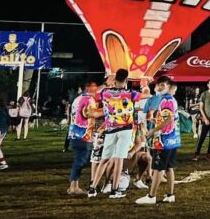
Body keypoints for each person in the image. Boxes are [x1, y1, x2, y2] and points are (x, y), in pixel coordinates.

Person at [92, 69, 139, 200]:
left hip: (111, 130)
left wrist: (106, 84)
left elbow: (95, 93)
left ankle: (92, 188)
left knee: (104, 160)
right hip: (125, 129)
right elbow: (146, 95)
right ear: (126, 80)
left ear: (115, 79)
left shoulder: (106, 92)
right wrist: (145, 84)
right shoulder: (130, 93)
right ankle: (114, 190)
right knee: (119, 160)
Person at [137, 77, 180, 204]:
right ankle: (170, 195)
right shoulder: (171, 99)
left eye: (162, 85)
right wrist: (157, 121)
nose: (159, 87)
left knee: (158, 168)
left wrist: (153, 130)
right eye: (158, 85)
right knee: (169, 167)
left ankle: (151, 196)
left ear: (168, 86)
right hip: (172, 140)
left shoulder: (166, 100)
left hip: (163, 140)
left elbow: (169, 119)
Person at [66, 85, 98, 196]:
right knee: (80, 161)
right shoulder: (88, 99)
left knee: (78, 160)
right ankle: (73, 187)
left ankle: (74, 185)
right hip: (84, 134)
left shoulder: (78, 98)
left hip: (75, 133)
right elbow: (88, 114)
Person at [192, 78, 210, 162]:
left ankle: (209, 154)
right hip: (206, 119)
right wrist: (205, 119)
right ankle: (197, 153)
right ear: (208, 85)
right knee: (202, 137)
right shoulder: (204, 94)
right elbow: (201, 108)